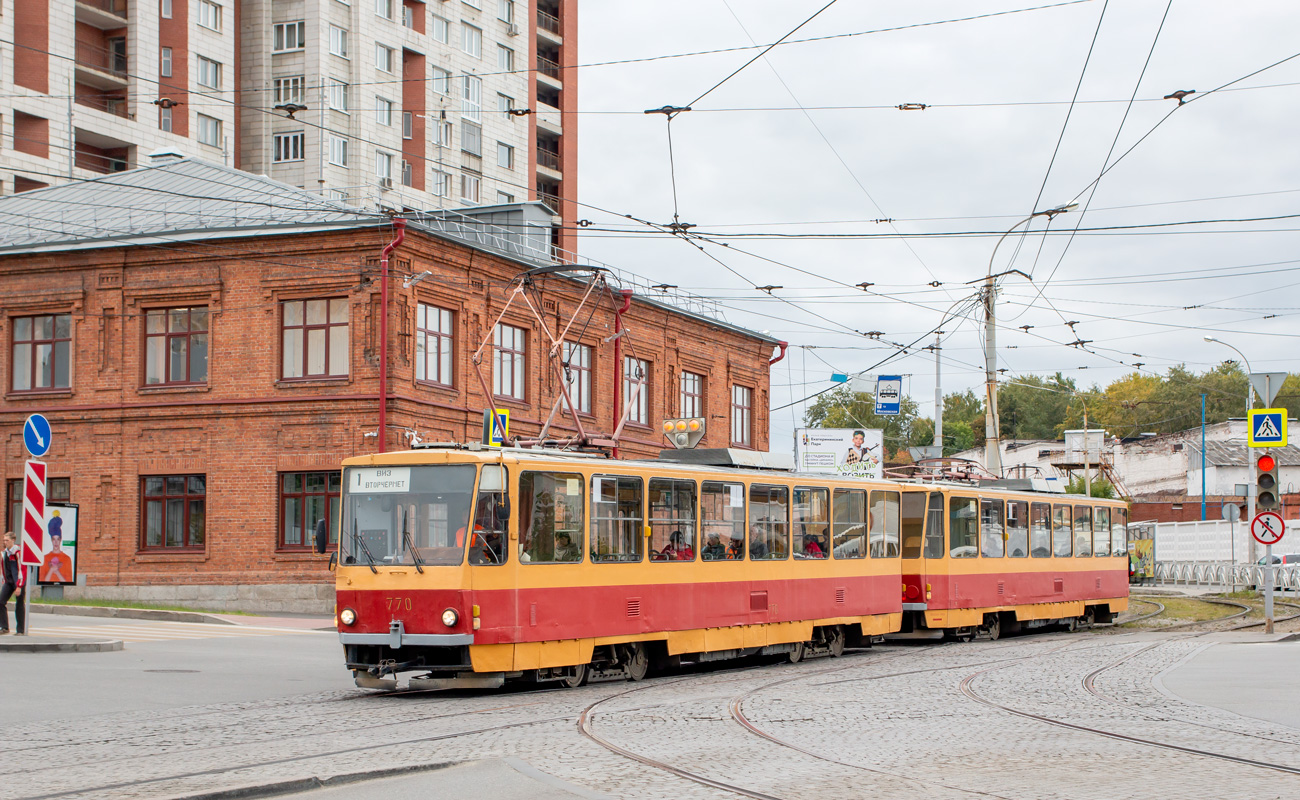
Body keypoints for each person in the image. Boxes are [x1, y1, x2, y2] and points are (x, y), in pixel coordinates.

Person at [1, 532, 24, 635]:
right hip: (9, 582)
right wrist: (4, 580)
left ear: (13, 540)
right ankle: (4, 627)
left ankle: (20, 630)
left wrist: (19, 586)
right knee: (1, 602)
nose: (5, 542)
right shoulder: (5, 553)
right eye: (4, 540)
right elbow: (4, 568)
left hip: (19, 581)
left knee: (19, 604)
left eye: (7, 540)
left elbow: (22, 569)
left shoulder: (18, 552)